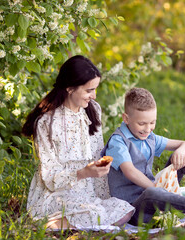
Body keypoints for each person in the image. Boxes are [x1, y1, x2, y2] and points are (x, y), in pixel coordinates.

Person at [22, 55, 134, 230]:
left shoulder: (93, 110)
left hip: (87, 193)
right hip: (57, 194)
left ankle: (81, 223)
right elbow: (50, 177)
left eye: (95, 89)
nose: (94, 95)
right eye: (89, 90)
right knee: (94, 214)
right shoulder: (47, 123)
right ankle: (48, 223)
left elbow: (97, 152)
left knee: (124, 209)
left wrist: (102, 193)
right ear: (70, 88)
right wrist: (82, 173)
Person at [101, 87, 185, 225]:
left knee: (184, 158)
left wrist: (180, 152)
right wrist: (156, 187)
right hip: (134, 209)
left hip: (158, 196)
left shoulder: (149, 137)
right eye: (141, 123)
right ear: (126, 118)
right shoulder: (118, 142)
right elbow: (130, 171)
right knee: (152, 194)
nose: (147, 129)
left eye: (152, 122)